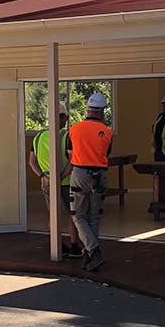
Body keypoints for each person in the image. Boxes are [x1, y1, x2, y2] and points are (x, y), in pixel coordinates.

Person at [28, 102, 82, 258]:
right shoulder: (67, 136)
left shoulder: (38, 137)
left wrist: (43, 176)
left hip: (47, 184)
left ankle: (56, 245)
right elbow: (73, 161)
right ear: (63, 117)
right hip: (66, 183)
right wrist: (60, 178)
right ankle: (74, 245)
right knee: (72, 214)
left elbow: (32, 161)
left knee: (53, 214)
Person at [67, 92, 113, 271]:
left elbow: (69, 154)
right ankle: (89, 254)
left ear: (87, 109)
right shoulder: (107, 132)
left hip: (79, 173)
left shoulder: (74, 129)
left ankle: (93, 251)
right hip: (100, 175)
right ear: (102, 111)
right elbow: (106, 154)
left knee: (78, 215)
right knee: (94, 216)